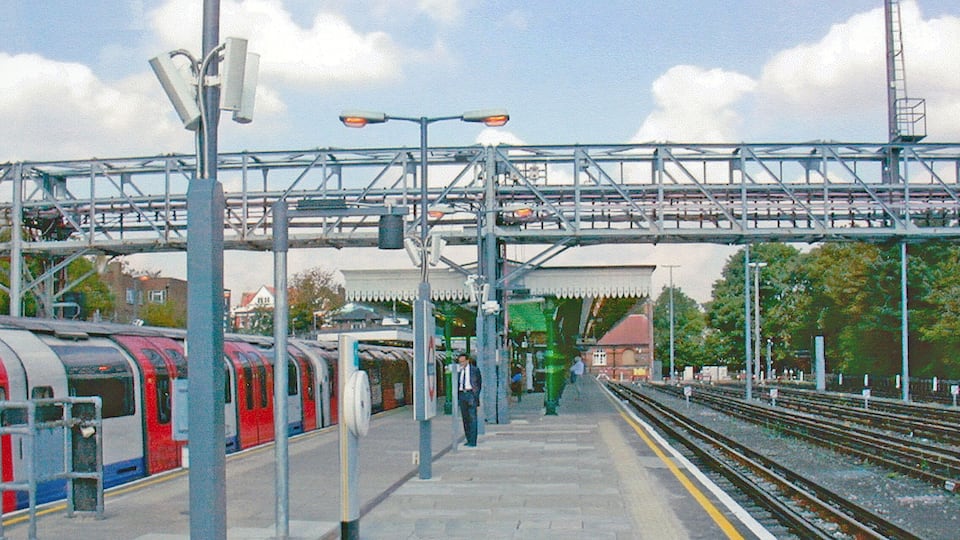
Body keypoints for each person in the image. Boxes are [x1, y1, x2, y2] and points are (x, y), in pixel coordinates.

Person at [457, 353, 482, 447]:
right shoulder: (459, 371)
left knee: (472, 418)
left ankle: (473, 441)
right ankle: (468, 439)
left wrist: (475, 395)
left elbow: (479, 382)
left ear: (467, 361)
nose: (461, 363)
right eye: (460, 362)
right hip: (462, 394)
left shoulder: (474, 370)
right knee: (465, 419)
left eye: (463, 361)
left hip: (470, 394)